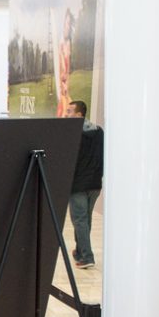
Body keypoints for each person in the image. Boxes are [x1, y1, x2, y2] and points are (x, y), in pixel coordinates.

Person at [65, 97, 103, 268]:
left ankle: (87, 257)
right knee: (85, 219)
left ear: (79, 114)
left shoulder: (72, 134)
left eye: (69, 112)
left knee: (79, 220)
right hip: (95, 183)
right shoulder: (99, 132)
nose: (66, 115)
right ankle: (80, 251)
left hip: (78, 184)